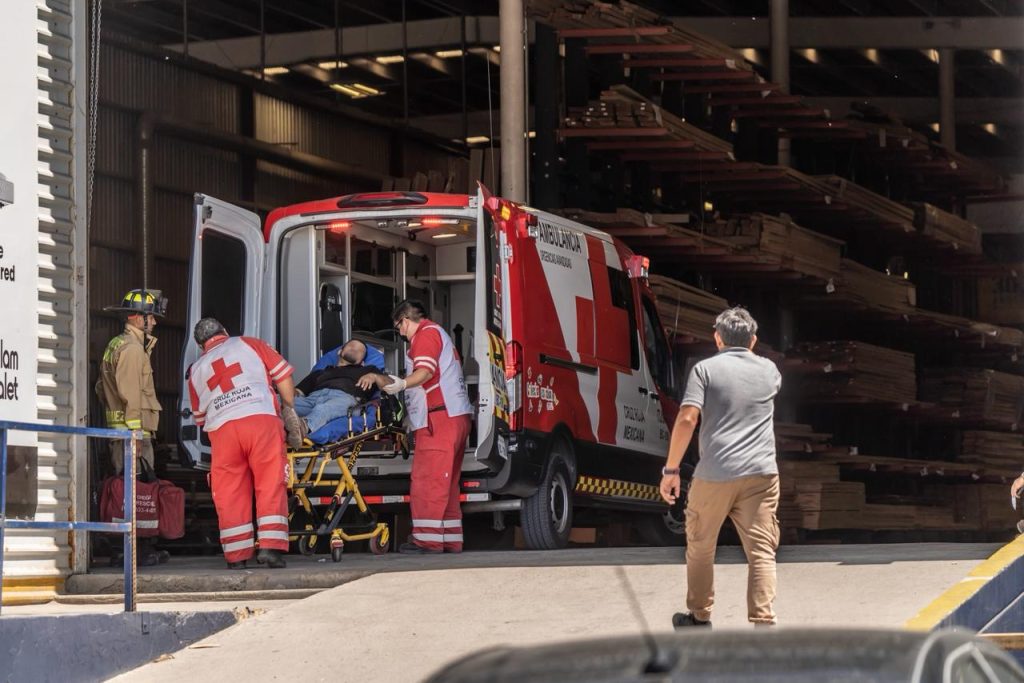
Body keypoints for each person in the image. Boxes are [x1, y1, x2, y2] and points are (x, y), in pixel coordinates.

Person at [660, 306, 782, 628]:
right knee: (761, 552)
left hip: (715, 472)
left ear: (717, 338)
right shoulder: (770, 372)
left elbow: (688, 418)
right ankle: (763, 623)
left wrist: (671, 470)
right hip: (761, 474)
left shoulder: (704, 370)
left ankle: (700, 616)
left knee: (701, 547)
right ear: (753, 340)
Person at [358, 300, 472, 554]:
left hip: (439, 419)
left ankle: (427, 541)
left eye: (399, 326)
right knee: (447, 485)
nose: (400, 333)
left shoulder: (425, 335)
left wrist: (400, 384)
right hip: (452, 417)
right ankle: (450, 539)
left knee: (428, 481)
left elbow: (425, 373)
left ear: (405, 321)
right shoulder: (437, 334)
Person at [187, 317, 297, 569]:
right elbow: (283, 378)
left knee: (229, 491)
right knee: (269, 482)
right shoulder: (249, 343)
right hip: (260, 420)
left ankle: (236, 556)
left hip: (223, 432)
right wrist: (289, 409)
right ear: (225, 331)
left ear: (200, 345)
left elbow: (200, 418)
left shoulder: (195, 370)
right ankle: (270, 549)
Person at [96, 288, 169, 567]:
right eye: (152, 317)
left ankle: (133, 548)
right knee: (135, 495)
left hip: (122, 432)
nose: (155, 323)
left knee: (129, 492)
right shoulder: (132, 349)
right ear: (139, 318)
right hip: (131, 434)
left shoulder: (117, 344)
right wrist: (136, 433)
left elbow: (101, 389)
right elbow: (131, 394)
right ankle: (132, 551)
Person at [292, 339, 382, 439]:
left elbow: (391, 383)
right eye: (351, 346)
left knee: (323, 409)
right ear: (339, 351)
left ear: (362, 362)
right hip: (312, 400)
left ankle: (302, 428)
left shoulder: (369, 370)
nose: (355, 349)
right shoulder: (319, 373)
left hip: (345, 400)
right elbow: (296, 392)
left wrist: (374, 377)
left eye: (360, 350)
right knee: (279, 402)